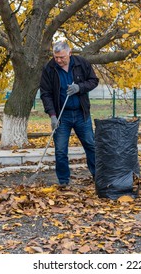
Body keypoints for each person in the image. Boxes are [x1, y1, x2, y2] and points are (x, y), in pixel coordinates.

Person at [39, 41, 99, 186]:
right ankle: (64, 181)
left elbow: (93, 81)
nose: (58, 60)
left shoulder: (81, 63)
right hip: (61, 116)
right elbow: (45, 93)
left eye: (62, 57)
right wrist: (52, 115)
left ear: (69, 54)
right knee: (60, 150)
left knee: (91, 145)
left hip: (81, 114)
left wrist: (79, 87)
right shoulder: (49, 68)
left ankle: (98, 177)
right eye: (56, 57)